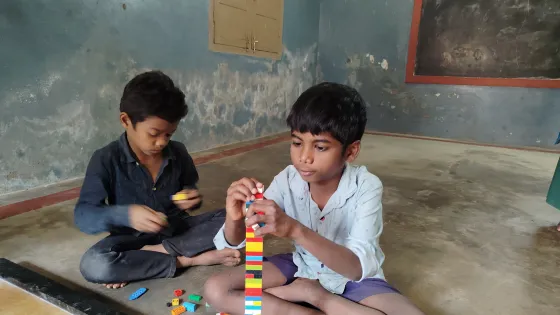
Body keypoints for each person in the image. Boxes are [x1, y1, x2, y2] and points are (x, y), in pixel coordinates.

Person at [203, 82, 425, 315]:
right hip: (301, 265)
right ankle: (303, 305)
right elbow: (239, 240)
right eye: (297, 143)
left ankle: (312, 297)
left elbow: (357, 268)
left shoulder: (366, 186)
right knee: (217, 289)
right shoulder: (288, 179)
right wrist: (236, 217)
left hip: (353, 280)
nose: (304, 157)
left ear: (350, 151)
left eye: (320, 147)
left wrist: (296, 233)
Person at [74, 71, 240, 289]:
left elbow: (190, 187)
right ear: (126, 120)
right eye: (154, 133)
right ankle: (189, 259)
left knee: (236, 218)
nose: (162, 142)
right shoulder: (105, 159)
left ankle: (152, 257)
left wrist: (191, 197)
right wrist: (126, 214)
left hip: (176, 229)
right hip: (130, 240)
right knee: (94, 264)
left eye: (169, 134)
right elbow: (84, 215)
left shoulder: (178, 152)